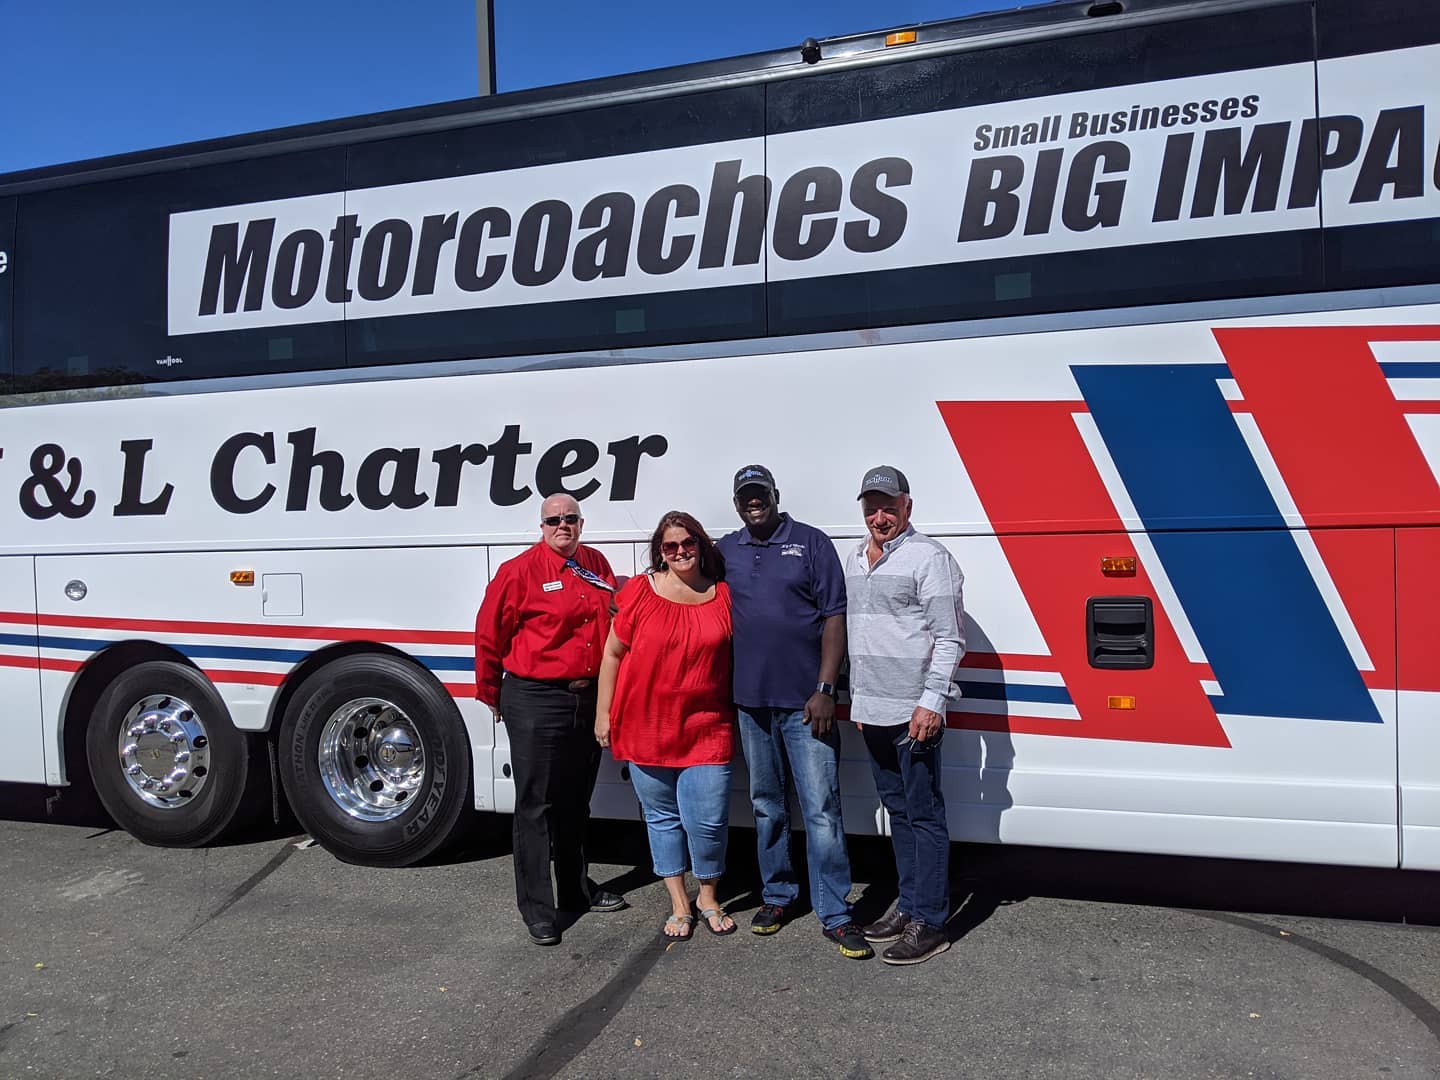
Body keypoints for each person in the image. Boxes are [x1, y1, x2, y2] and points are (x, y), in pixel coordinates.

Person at [716, 465, 872, 960]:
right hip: (751, 703)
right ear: (737, 503)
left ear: (776, 495)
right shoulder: (726, 550)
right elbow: (688, 586)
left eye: (760, 494)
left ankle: (835, 913)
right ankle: (778, 895)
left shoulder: (810, 542)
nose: (754, 502)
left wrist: (826, 687)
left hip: (808, 706)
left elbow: (834, 616)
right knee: (767, 804)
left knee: (821, 809)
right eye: (746, 496)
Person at [473, 493, 627, 946]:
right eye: (554, 520)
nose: (563, 525)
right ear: (541, 527)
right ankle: (538, 909)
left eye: (571, 518)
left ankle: (576, 891)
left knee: (576, 800)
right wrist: (490, 693)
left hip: (587, 696)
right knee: (536, 804)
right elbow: (488, 635)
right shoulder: (518, 572)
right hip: (536, 698)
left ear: (581, 523)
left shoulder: (595, 564)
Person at [595, 510, 736, 940]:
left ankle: (708, 895)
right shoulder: (640, 592)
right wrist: (603, 713)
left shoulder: (724, 594)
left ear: (701, 545)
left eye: (688, 542)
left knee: (708, 822)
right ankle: (679, 902)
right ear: (660, 551)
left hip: (707, 727)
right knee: (662, 819)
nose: (680, 551)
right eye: (670, 545)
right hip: (645, 725)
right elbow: (612, 654)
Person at [844, 466, 965, 966]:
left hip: (914, 713)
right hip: (872, 711)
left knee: (924, 816)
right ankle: (909, 906)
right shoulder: (854, 557)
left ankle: (930, 922)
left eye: (889, 508)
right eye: (872, 507)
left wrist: (932, 702)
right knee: (898, 813)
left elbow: (950, 638)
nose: (880, 517)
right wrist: (859, 699)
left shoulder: (930, 558)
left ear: (907, 507)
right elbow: (859, 632)